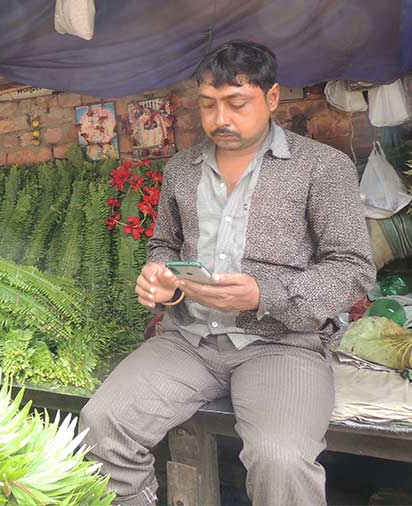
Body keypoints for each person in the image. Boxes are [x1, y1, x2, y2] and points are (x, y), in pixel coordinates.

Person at [79, 41, 375, 506]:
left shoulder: (323, 167)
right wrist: (160, 279)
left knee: (281, 459)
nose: (220, 119)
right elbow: (165, 244)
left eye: (237, 104)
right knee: (101, 425)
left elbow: (353, 269)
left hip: (282, 343)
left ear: (272, 98)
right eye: (208, 105)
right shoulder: (181, 168)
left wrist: (264, 294)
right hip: (188, 341)